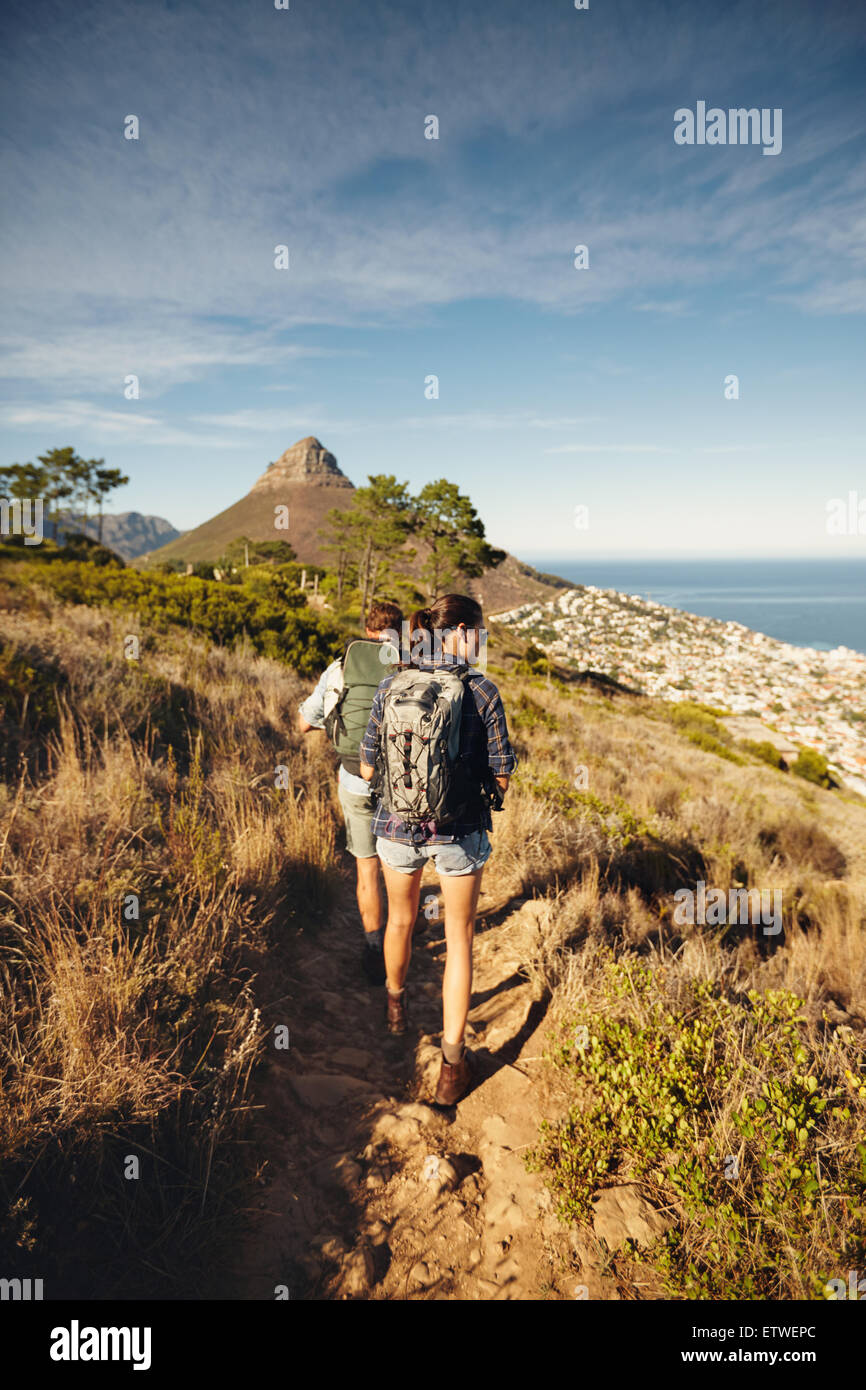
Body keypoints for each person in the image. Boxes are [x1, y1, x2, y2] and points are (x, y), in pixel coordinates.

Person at [358, 593, 516, 1105]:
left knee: (400, 922)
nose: (482, 642)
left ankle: (395, 1005)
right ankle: (451, 1068)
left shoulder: (390, 685)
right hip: (459, 833)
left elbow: (366, 769)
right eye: (479, 632)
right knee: (460, 943)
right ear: (461, 632)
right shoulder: (483, 691)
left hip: (395, 827)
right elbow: (502, 778)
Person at [298, 599, 403, 985]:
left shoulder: (339, 667)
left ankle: (374, 947)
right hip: (400, 787)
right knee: (398, 866)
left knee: (367, 868)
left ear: (367, 628)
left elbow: (305, 724)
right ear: (400, 632)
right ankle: (400, 938)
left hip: (354, 778)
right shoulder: (410, 667)